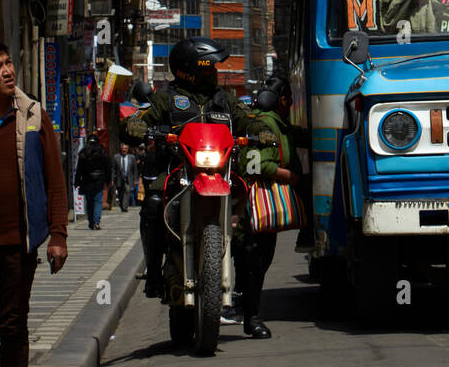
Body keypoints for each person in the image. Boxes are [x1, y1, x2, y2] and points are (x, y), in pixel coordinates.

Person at [122, 39, 276, 301]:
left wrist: (261, 130)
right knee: (152, 203)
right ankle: (154, 274)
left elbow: (246, 119)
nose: (214, 72)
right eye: (209, 68)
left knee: (249, 218)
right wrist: (134, 126)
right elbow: (141, 118)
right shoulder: (166, 99)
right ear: (189, 69)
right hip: (176, 171)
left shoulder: (225, 99)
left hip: (220, 171)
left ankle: (251, 311)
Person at [0, 39, 67, 367]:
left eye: (9, 63)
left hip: (19, 240)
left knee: (13, 325)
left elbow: (54, 180)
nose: (8, 71)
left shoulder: (33, 115)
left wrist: (57, 235)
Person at [235, 72, 309, 339]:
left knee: (260, 260)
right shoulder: (264, 124)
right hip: (253, 204)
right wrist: (292, 176)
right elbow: (255, 165)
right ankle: (249, 316)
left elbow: (300, 136)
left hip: (257, 209)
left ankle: (246, 308)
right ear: (283, 99)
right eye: (288, 98)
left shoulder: (280, 124)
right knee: (254, 259)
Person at [74, 132, 112, 230]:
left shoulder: (83, 153)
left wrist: (77, 181)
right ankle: (97, 222)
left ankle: (91, 221)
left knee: (89, 201)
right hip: (99, 180)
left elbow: (79, 169)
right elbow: (108, 167)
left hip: (87, 180)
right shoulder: (102, 152)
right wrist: (108, 180)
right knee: (98, 201)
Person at [112, 143, 139, 211]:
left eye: (125, 148)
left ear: (127, 150)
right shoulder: (116, 157)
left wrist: (136, 179)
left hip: (128, 178)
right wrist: (112, 179)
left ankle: (125, 206)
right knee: (120, 193)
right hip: (119, 178)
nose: (124, 150)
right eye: (123, 148)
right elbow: (113, 169)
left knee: (127, 191)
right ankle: (121, 205)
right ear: (121, 149)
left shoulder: (132, 157)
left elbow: (135, 170)